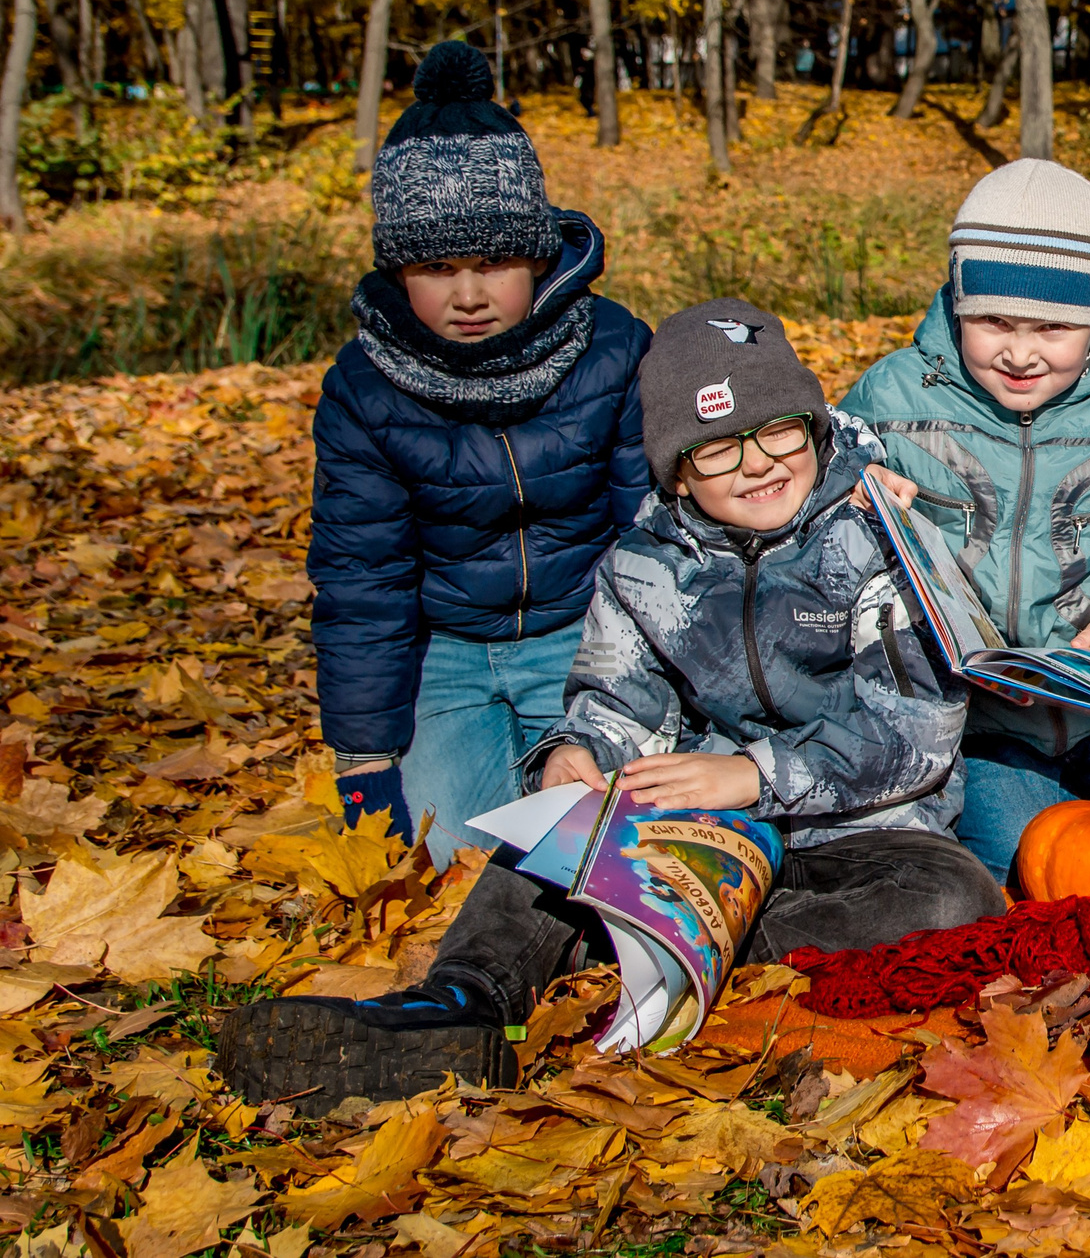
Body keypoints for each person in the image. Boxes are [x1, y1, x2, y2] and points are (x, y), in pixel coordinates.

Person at [218, 302, 1005, 1109]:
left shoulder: (879, 537)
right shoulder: (643, 564)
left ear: (813, 427)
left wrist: (750, 773)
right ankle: (461, 1003)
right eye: (717, 449)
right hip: (701, 834)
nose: (758, 464)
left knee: (956, 898)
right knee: (544, 844)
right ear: (677, 471)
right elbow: (615, 692)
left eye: (780, 432)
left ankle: (648, 956)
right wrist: (581, 748)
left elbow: (915, 731)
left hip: (865, 831)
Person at [309, 40, 649, 868]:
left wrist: (645, 679)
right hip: (448, 647)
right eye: (436, 267)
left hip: (584, 629)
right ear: (398, 271)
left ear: (537, 255)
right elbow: (362, 578)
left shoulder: (613, 348)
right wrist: (363, 760)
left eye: (495, 262)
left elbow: (652, 528)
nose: (468, 295)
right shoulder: (365, 386)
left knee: (588, 852)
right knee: (447, 854)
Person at [842, 161, 1090, 877]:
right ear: (959, 305)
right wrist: (855, 486)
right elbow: (819, 493)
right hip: (982, 718)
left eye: (1054, 328)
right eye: (994, 320)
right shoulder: (897, 395)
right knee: (1021, 859)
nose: (1021, 352)